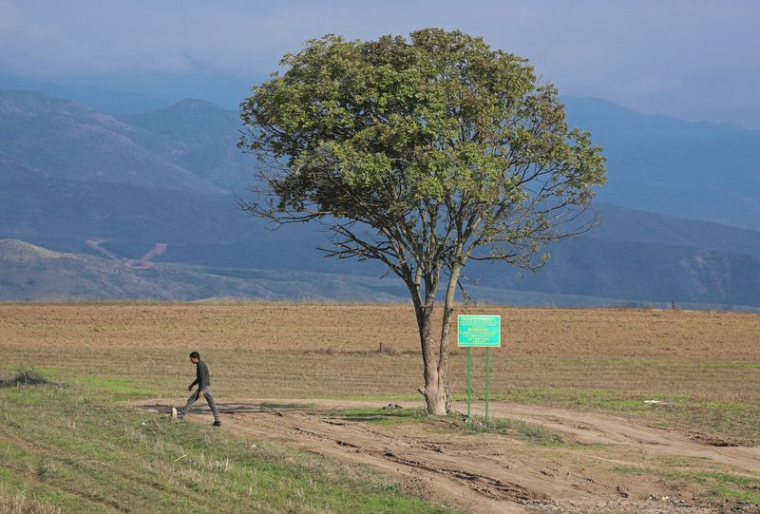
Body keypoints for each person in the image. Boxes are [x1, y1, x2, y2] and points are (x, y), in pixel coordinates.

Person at [178, 351, 221, 426]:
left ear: (195, 358)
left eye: (191, 359)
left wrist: (201, 390)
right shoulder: (200, 364)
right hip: (206, 387)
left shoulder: (200, 365)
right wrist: (192, 385)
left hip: (204, 387)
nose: (190, 360)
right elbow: (199, 378)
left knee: (191, 400)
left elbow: (203, 379)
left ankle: (181, 416)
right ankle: (217, 421)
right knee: (211, 403)